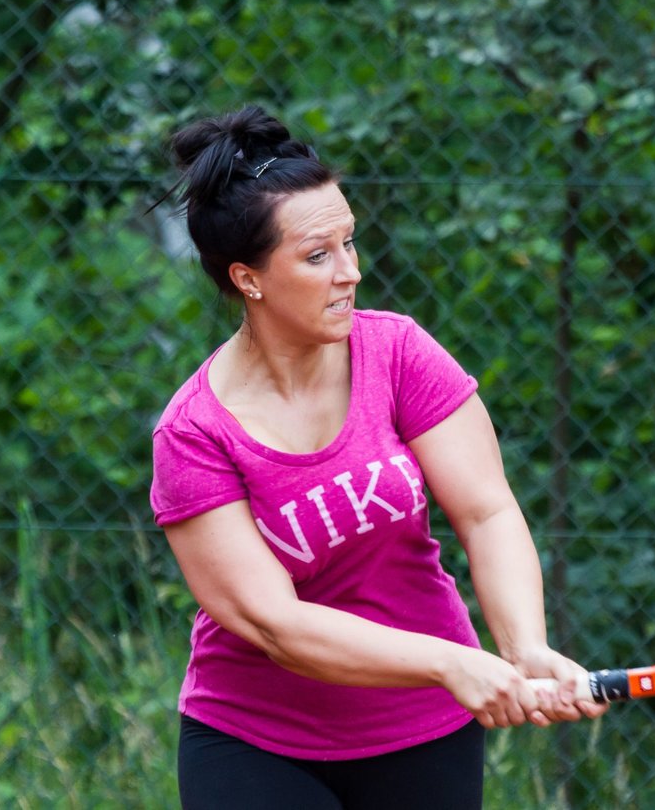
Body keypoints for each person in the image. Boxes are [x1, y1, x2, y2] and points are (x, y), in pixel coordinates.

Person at [149, 106, 605, 810]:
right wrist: (451, 661)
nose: (350, 273)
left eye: (350, 243)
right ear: (248, 279)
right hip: (254, 742)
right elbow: (276, 623)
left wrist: (524, 647)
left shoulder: (397, 352)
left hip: (422, 732)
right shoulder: (194, 433)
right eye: (317, 256)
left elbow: (486, 512)